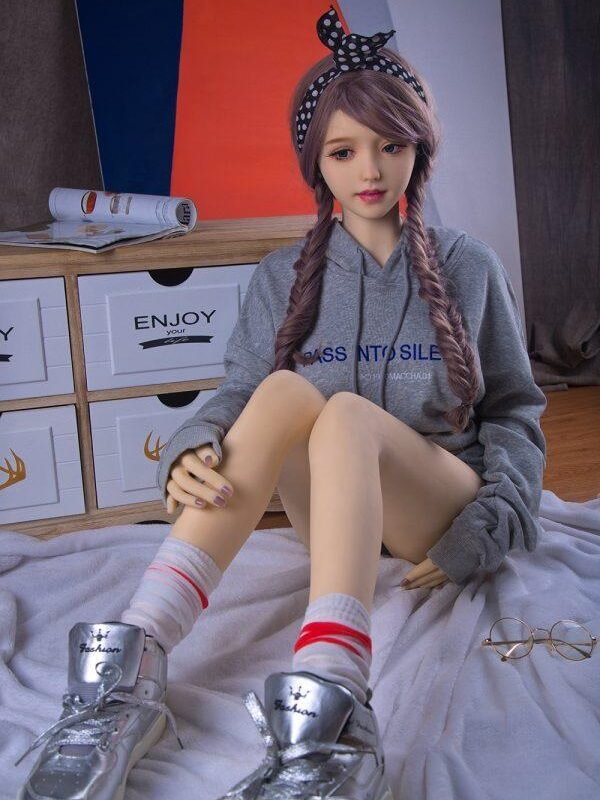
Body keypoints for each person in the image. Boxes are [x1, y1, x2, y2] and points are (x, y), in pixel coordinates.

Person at [15, 6, 547, 799]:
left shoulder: (470, 266)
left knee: (347, 412)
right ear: (317, 163)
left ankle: (333, 704)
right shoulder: (282, 275)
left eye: (391, 145)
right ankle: (127, 674)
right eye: (344, 150)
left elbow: (514, 410)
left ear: (418, 149)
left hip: (431, 505)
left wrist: (493, 524)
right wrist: (198, 440)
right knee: (284, 389)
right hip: (326, 509)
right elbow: (238, 391)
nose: (371, 170)